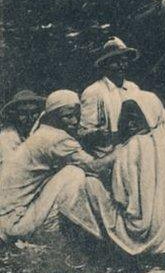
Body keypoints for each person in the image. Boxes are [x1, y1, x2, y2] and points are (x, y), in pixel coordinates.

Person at [69, 95, 165, 273]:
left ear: (149, 116)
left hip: (149, 231)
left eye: (135, 117)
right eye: (129, 117)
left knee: (90, 185)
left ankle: (103, 250)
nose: (131, 124)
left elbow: (122, 197)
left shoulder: (134, 146)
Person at [0, 91, 112, 241]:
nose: (74, 121)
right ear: (52, 116)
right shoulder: (54, 138)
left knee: (78, 176)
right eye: (67, 116)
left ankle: (98, 231)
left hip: (9, 217)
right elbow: (95, 167)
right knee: (74, 173)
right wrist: (124, 149)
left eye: (76, 115)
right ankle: (95, 234)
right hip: (14, 222)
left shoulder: (42, 133)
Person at [80, 37, 144, 154]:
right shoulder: (94, 91)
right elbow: (84, 132)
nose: (121, 65)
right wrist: (100, 134)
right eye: (115, 62)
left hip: (134, 149)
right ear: (105, 64)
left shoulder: (133, 88)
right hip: (106, 154)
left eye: (124, 61)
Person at [0, 90, 45, 167]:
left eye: (34, 112)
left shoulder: (42, 131)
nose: (30, 118)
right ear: (14, 115)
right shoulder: (6, 136)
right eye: (23, 113)